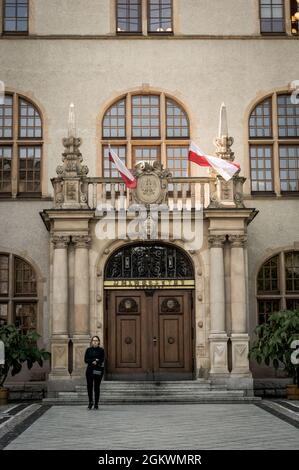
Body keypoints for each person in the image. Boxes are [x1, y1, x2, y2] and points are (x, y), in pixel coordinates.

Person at [84, 336, 105, 410]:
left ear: (99, 342)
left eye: (96, 340)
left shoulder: (101, 350)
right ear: (91, 342)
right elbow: (86, 360)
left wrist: (96, 361)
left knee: (96, 387)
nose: (95, 342)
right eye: (93, 340)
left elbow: (102, 359)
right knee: (89, 386)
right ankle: (90, 402)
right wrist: (94, 359)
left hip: (98, 370)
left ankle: (96, 403)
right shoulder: (88, 350)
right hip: (89, 370)